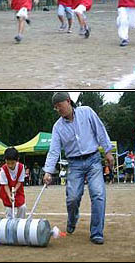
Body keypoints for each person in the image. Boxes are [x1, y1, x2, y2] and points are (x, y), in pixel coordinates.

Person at [43, 92, 114, 245]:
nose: (58, 110)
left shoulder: (87, 112)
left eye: (59, 106)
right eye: (55, 108)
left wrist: (108, 151)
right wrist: (48, 171)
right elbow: (54, 150)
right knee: (73, 198)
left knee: (98, 194)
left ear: (68, 101)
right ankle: (72, 219)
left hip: (94, 159)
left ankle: (96, 232)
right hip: (74, 164)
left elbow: (100, 130)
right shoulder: (57, 127)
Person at [0, 147, 26, 219]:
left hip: (18, 190)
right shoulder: (3, 170)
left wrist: (15, 190)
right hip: (6, 192)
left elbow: (20, 181)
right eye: (8, 163)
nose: (10, 165)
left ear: (17, 160)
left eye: (12, 163)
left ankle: (20, 224)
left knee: (22, 207)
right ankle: (10, 225)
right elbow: (5, 185)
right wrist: (9, 195)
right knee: (8, 210)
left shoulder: (21, 167)